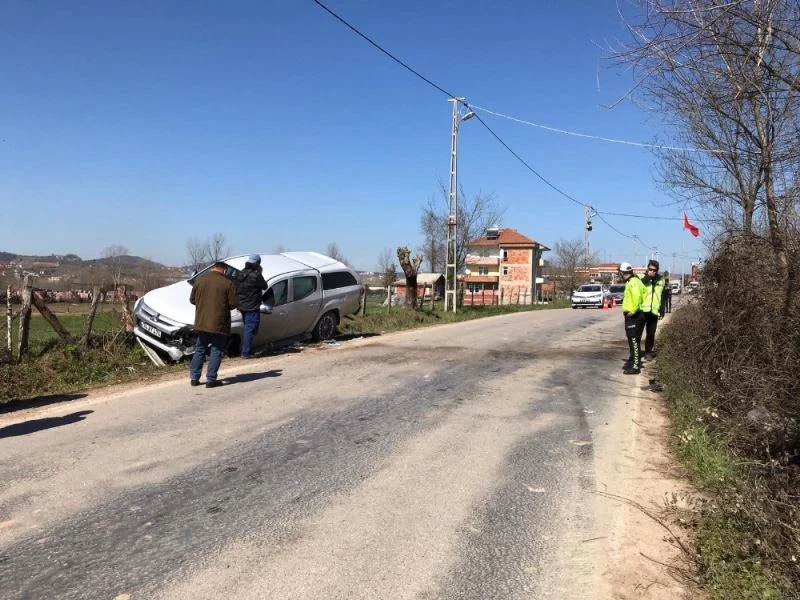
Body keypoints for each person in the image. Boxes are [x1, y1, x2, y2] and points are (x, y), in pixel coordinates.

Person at [189, 262, 239, 388]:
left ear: (213, 268)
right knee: (216, 350)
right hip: (219, 322)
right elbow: (233, 303)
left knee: (200, 349)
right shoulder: (228, 283)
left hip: (202, 321)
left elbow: (192, 299)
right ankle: (211, 379)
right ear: (224, 270)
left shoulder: (199, 280)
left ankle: (194, 378)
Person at [235, 254, 268, 358]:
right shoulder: (256, 275)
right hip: (252, 306)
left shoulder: (240, 273)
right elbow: (264, 286)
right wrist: (260, 273)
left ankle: (247, 349)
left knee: (248, 328)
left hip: (241, 305)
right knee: (251, 328)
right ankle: (246, 352)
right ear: (257, 263)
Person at [620, 262, 646, 375]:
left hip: (634, 316)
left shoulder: (633, 282)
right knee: (632, 340)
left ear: (623, 272)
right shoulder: (633, 281)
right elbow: (644, 291)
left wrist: (633, 310)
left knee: (634, 341)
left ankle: (635, 367)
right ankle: (633, 362)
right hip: (633, 315)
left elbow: (637, 296)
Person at [639, 259, 666, 357]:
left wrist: (662, 310)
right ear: (647, 269)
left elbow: (663, 296)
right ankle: (636, 352)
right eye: (650, 269)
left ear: (657, 270)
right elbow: (639, 286)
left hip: (654, 311)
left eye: (654, 270)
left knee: (651, 333)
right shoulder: (641, 277)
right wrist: (648, 277)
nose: (652, 271)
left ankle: (648, 351)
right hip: (642, 310)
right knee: (638, 333)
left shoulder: (661, 280)